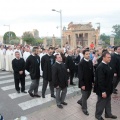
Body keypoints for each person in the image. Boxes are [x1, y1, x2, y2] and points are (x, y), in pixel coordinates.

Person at [94, 51, 117, 120]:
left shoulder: (107, 64)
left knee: (108, 102)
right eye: (108, 57)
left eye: (110, 57)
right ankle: (98, 115)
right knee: (101, 103)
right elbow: (100, 81)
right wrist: (103, 91)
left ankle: (108, 114)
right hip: (103, 90)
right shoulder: (101, 67)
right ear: (103, 57)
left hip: (108, 88)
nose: (110, 59)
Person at [77, 49, 94, 116]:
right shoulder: (81, 63)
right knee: (84, 96)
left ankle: (80, 101)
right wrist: (82, 84)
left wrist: (93, 81)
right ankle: (84, 109)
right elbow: (80, 75)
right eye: (86, 54)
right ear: (84, 55)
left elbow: (92, 72)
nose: (88, 55)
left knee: (88, 94)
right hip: (84, 83)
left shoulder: (90, 62)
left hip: (89, 82)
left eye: (89, 54)